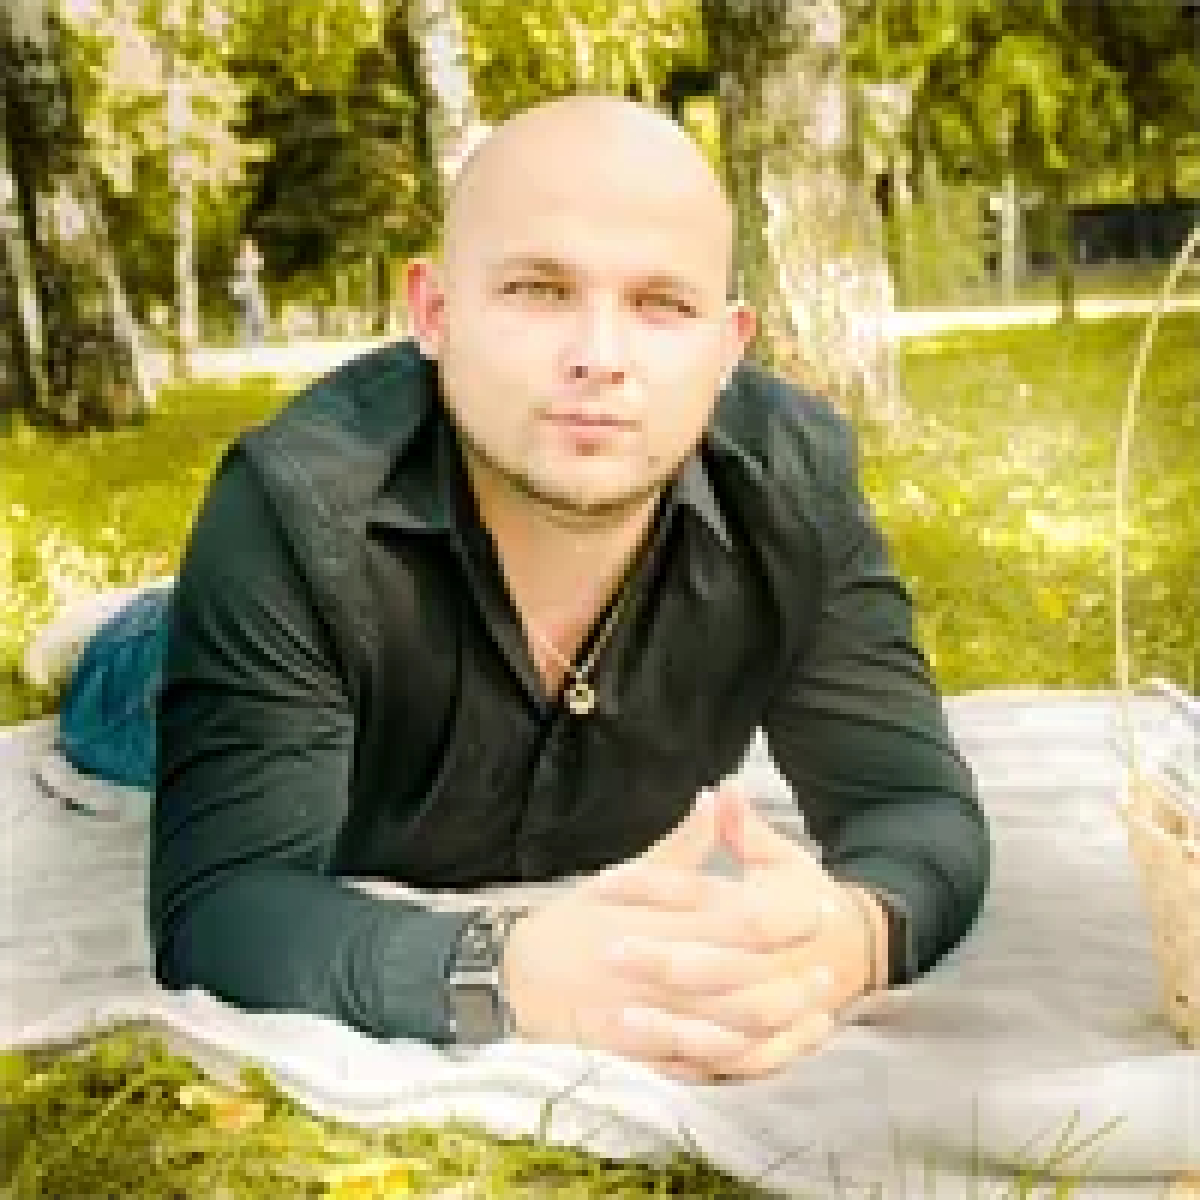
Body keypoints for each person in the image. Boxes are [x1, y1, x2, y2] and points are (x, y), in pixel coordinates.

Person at [147, 94, 990, 1083]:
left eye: (662, 304)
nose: (600, 356)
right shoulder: (294, 509)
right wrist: (497, 975)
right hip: (245, 655)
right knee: (129, 682)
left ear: (729, 347)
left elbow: (912, 805)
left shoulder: (791, 491)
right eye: (538, 290)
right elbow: (222, 903)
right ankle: (132, 629)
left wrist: (846, 940)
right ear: (434, 314)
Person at [230, 236, 267, 347]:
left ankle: (257, 341)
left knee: (258, 315)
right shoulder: (240, 260)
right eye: (247, 246)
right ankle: (248, 342)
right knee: (248, 316)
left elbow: (260, 265)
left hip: (253, 289)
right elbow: (240, 273)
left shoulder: (254, 258)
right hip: (246, 290)